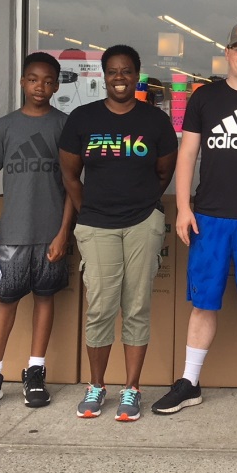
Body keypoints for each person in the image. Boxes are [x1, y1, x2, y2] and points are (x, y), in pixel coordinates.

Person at [151, 24, 237, 420]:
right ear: (227, 53)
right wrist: (183, 206)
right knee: (203, 304)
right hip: (209, 217)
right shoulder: (205, 97)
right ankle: (189, 382)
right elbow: (187, 155)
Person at [59, 44, 178, 422]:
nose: (120, 78)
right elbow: (70, 176)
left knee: (137, 305)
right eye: (113, 71)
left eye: (127, 71)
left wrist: (140, 204)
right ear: (104, 75)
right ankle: (96, 386)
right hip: (96, 224)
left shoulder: (154, 121)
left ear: (136, 74)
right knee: (101, 307)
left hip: (142, 222)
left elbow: (164, 172)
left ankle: (132, 389)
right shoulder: (82, 118)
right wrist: (91, 210)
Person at [0, 52, 75, 414]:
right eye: (32, 79)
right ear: (22, 82)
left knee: (45, 298)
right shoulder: (5, 126)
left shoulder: (65, 125)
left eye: (47, 80)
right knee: (6, 302)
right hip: (11, 234)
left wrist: (63, 234)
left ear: (57, 86)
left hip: (51, 234)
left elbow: (74, 186)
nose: (39, 86)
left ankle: (36, 370)